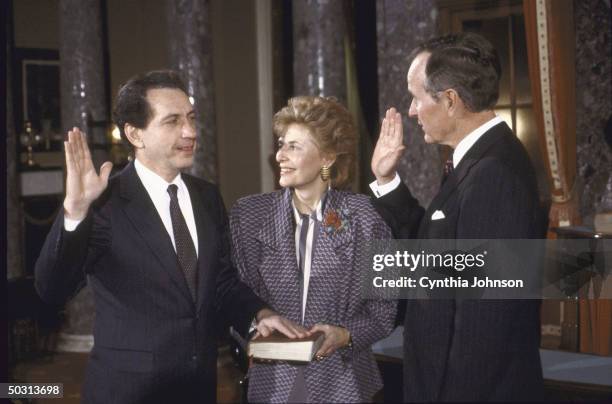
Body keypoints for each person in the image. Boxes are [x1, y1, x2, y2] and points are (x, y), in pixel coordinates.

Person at [34, 70, 307, 404]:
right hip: (128, 392)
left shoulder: (207, 196)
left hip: (199, 386)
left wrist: (260, 314)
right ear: (135, 134)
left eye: (191, 118)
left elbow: (220, 281)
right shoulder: (104, 202)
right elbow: (52, 287)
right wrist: (75, 212)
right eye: (173, 121)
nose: (190, 132)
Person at [370, 33, 544, 401]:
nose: (412, 110)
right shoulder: (482, 160)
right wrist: (387, 181)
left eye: (417, 98)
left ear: (450, 100)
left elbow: (484, 326)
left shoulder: (494, 173)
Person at [230, 96, 397, 402]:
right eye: (281, 144)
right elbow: (235, 293)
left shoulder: (362, 217)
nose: (280, 154)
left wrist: (345, 334)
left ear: (327, 157)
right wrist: (257, 325)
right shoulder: (249, 215)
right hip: (272, 383)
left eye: (294, 146)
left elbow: (383, 312)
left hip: (343, 383)